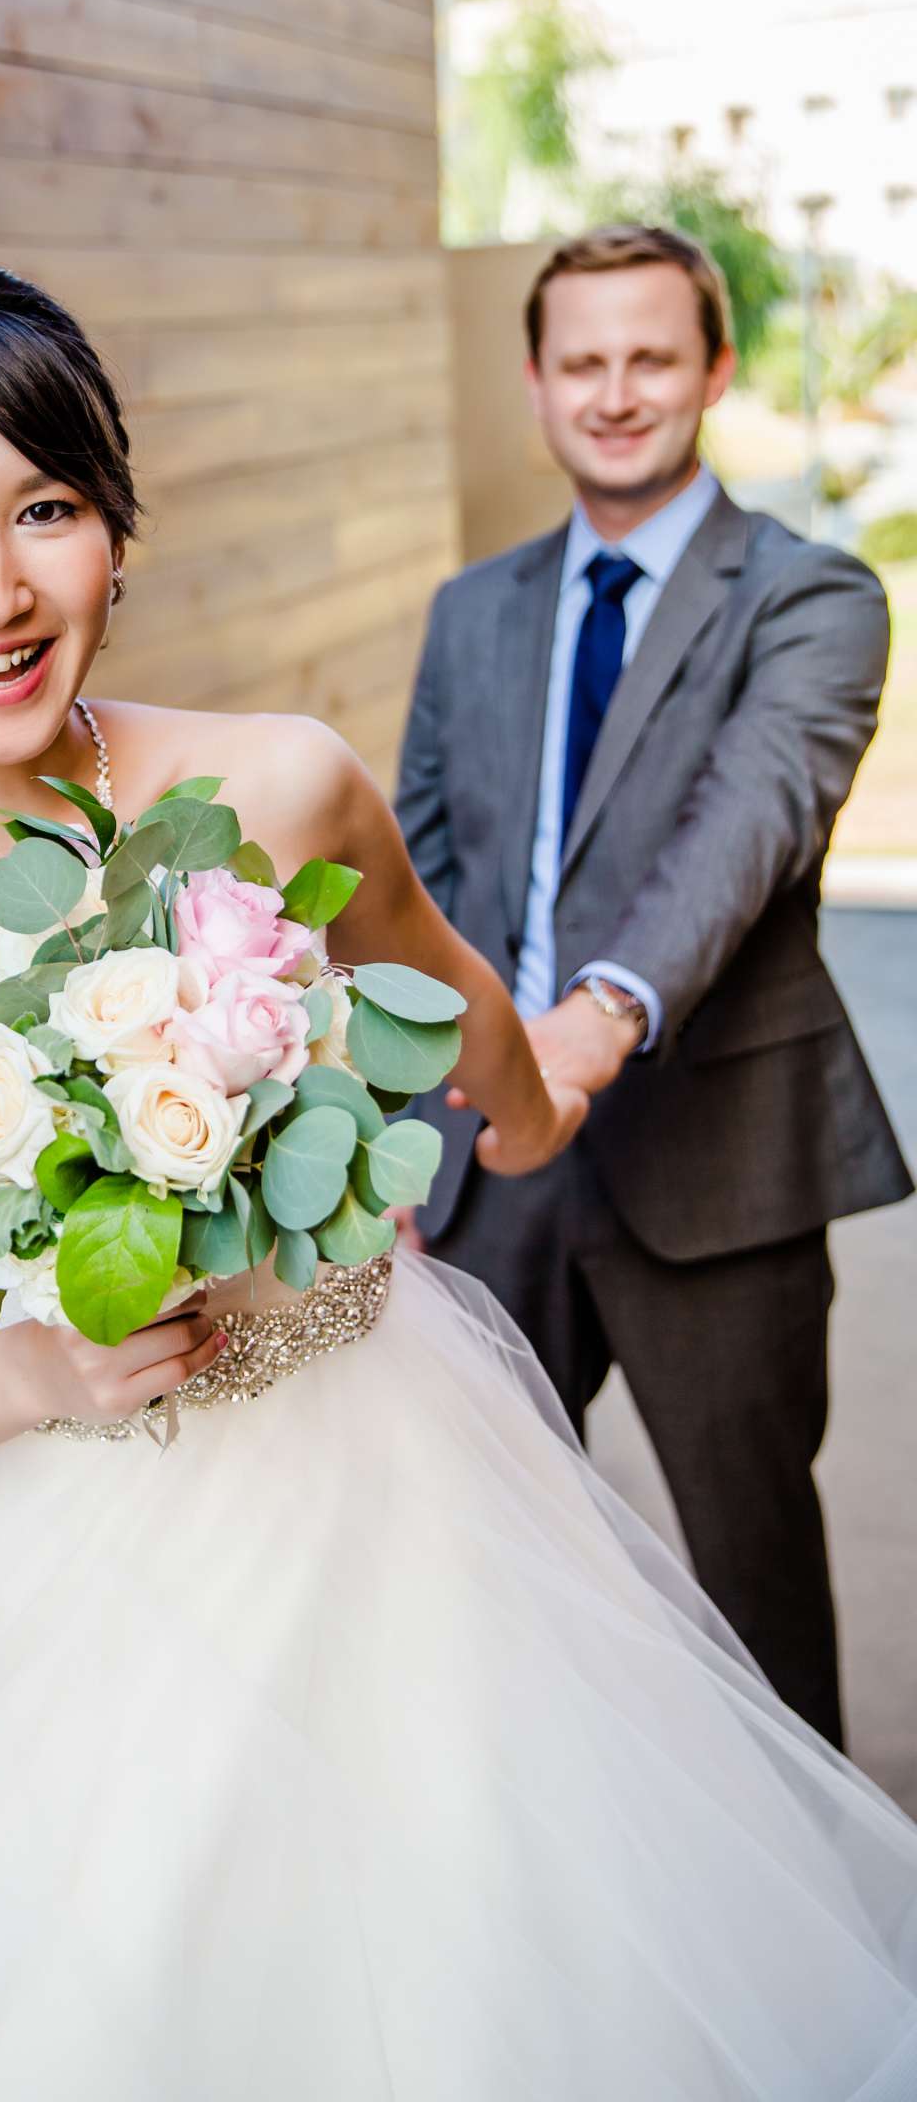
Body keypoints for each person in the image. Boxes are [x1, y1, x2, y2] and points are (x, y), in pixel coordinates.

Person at [0, 246, 917, 2100]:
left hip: (408, 1480)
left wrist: (531, 1101)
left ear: (114, 533)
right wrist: (20, 1373)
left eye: (49, 510)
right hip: (85, 1562)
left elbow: (442, 978)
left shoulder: (281, 783)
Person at [394, 222, 912, 1749]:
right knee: (470, 1559)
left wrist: (595, 1022)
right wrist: (391, 1126)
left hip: (719, 1170)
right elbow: (413, 895)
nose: (617, 393)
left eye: (652, 357)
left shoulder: (812, 600)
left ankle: (806, 1926)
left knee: (754, 1589)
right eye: (584, 361)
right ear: (540, 381)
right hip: (490, 1164)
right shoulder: (470, 611)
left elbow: (742, 828)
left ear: (715, 370)